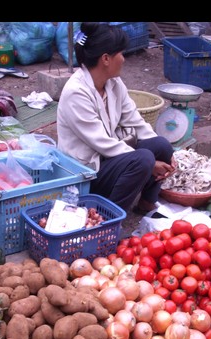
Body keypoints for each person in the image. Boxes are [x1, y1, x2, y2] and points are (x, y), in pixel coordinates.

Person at [57, 22, 176, 213]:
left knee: (160, 145)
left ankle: (147, 203)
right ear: (106, 58)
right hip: (85, 173)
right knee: (144, 159)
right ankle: (108, 218)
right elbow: (103, 142)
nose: (123, 59)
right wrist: (151, 164)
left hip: (105, 160)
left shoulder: (113, 83)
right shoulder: (76, 92)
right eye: (120, 53)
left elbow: (135, 121)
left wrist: (170, 156)